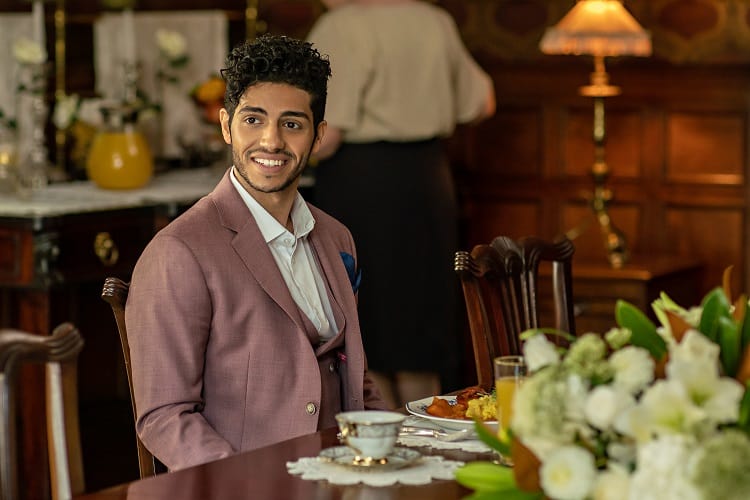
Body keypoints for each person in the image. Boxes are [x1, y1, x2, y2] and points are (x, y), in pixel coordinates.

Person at [125, 34, 387, 471]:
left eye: (291, 124)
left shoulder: (338, 238)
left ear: (317, 135)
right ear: (226, 125)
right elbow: (165, 416)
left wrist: (395, 454)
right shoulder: (178, 252)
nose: (271, 141)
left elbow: (354, 380)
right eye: (253, 120)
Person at [306, 0, 496, 409]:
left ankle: (393, 447)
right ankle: (431, 442)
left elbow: (330, 133)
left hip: (364, 184)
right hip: (429, 179)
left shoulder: (342, 25)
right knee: (417, 322)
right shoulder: (435, 20)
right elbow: (482, 103)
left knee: (369, 324)